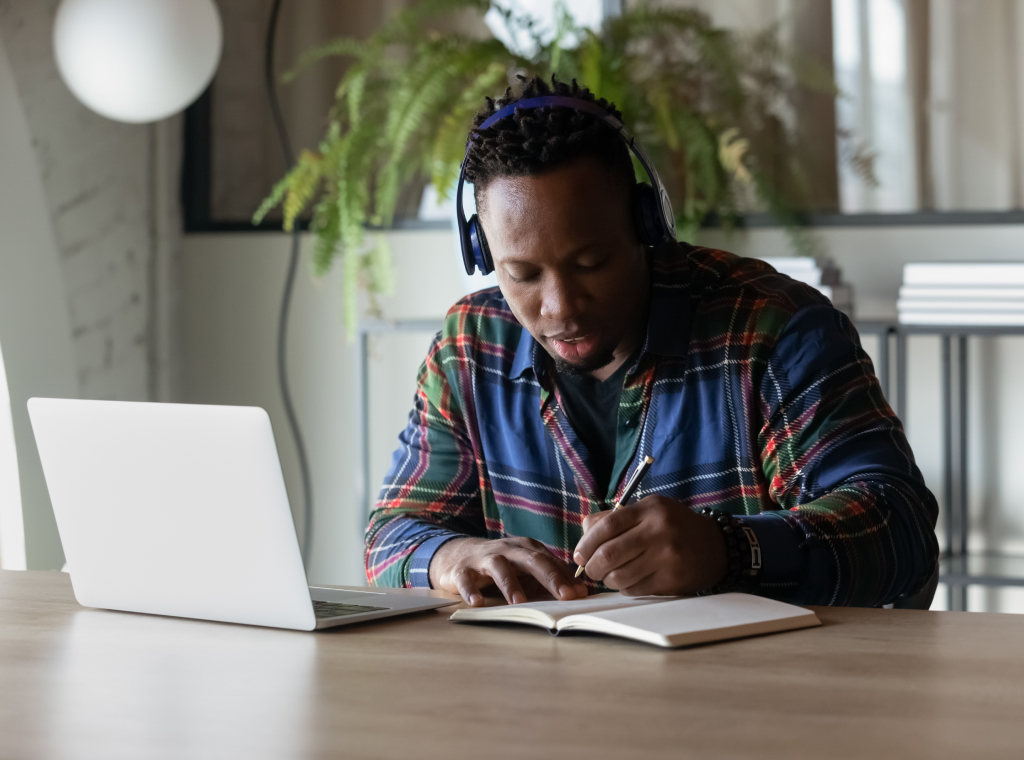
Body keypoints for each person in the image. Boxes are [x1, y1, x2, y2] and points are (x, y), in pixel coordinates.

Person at [364, 75, 938, 608]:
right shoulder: (470, 347)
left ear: (645, 224)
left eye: (592, 262)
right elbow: (390, 536)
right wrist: (449, 556)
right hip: (539, 705)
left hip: (751, 701)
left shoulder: (774, 330)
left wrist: (730, 549)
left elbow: (898, 530)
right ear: (483, 254)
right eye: (523, 275)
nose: (560, 307)